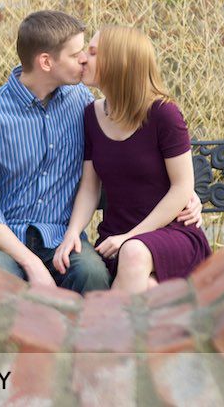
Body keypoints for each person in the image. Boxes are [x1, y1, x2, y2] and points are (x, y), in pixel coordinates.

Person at [0, 11, 202, 294]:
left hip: (62, 235)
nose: (84, 58)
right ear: (46, 62)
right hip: (3, 239)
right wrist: (31, 262)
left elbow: (136, 152)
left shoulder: (80, 103)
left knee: (93, 275)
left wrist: (187, 195)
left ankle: (97, 337)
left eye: (88, 51)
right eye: (76, 54)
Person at [53, 26, 211, 293]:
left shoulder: (164, 114)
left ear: (117, 61)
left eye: (92, 53)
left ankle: (97, 331)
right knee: (148, 289)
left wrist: (130, 237)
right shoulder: (91, 115)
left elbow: (182, 187)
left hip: (171, 233)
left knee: (134, 253)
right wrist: (72, 232)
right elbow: (90, 188)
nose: (83, 59)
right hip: (115, 237)